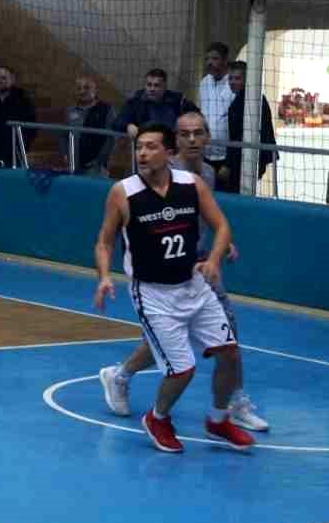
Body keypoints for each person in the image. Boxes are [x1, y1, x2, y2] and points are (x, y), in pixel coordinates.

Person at [91, 123, 255, 454]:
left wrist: (214, 260)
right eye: (140, 147)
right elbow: (104, 242)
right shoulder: (123, 192)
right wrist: (105, 276)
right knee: (182, 369)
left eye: (151, 147)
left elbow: (222, 226)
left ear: (168, 153)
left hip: (193, 285)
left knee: (230, 353)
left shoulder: (191, 185)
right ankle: (158, 418)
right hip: (153, 294)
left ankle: (218, 420)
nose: (142, 153)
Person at [224, 60, 276, 191]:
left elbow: (240, 135)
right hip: (245, 157)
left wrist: (228, 164)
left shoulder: (251, 100)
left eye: (237, 78)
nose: (232, 82)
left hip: (245, 159)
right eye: (230, 78)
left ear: (246, 79)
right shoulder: (245, 98)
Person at [110, 69, 195, 139]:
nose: (152, 89)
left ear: (165, 87)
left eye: (156, 85)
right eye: (149, 85)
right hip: (147, 146)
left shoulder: (178, 100)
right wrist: (128, 125)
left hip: (172, 146)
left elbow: (196, 117)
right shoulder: (136, 101)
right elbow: (116, 123)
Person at [197, 42, 236, 191]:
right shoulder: (204, 82)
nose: (210, 62)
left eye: (214, 58)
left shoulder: (233, 84)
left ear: (225, 60)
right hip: (206, 153)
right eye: (208, 59)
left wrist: (229, 163)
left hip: (227, 155)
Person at [65, 75, 115, 175]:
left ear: (95, 90)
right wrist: (65, 154)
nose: (82, 91)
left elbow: (111, 138)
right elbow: (64, 135)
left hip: (96, 167)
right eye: (79, 88)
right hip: (74, 165)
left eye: (87, 87)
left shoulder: (106, 109)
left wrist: (100, 161)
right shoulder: (70, 110)